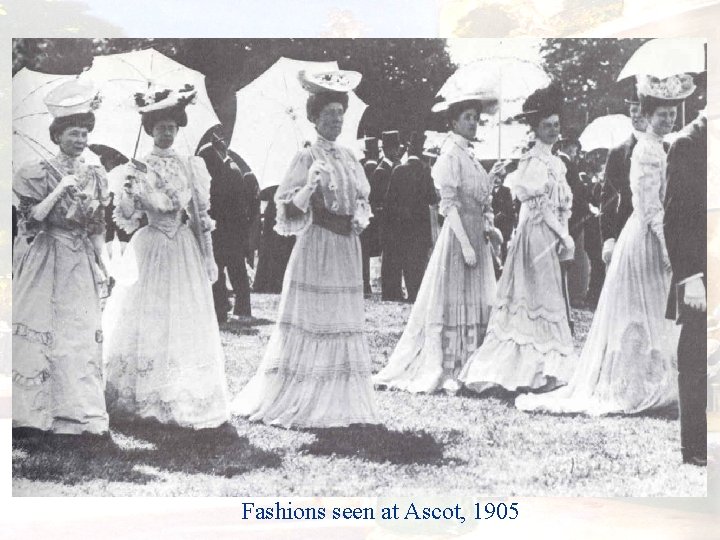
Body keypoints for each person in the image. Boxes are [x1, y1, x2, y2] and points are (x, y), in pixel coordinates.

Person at [515, 74, 696, 416]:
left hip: (658, 234)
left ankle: (658, 376)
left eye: (672, 114)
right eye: (662, 114)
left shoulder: (666, 147)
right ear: (646, 113)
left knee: (658, 309)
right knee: (639, 309)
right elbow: (645, 206)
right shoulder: (642, 151)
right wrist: (664, 246)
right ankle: (633, 382)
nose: (668, 119)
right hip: (645, 237)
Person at [233, 70, 380, 428]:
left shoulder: (349, 157)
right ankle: (308, 394)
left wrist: (360, 216)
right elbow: (285, 210)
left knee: (342, 318)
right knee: (317, 319)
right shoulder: (305, 157)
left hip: (347, 247)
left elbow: (362, 198)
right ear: (314, 118)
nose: (335, 120)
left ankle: (343, 397)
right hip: (318, 247)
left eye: (339, 114)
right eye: (328, 114)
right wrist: (308, 188)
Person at [103, 86, 231, 431]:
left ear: (178, 129)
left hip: (183, 247)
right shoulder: (136, 167)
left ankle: (181, 392)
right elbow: (127, 218)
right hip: (150, 245)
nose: (166, 132)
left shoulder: (191, 165)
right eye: (160, 127)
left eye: (172, 127)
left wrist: (210, 257)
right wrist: (129, 190)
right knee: (149, 314)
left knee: (183, 316)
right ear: (150, 130)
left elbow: (201, 217)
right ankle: (143, 394)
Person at [373, 94, 502, 394]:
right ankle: (450, 364)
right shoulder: (450, 157)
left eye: (475, 118)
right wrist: (466, 244)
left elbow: (482, 201)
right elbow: (449, 205)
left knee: (477, 296)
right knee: (455, 293)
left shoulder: (471, 157)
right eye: (467, 118)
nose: (473, 123)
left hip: (475, 234)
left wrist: (491, 184)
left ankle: (473, 360)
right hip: (458, 236)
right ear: (453, 122)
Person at [459, 82, 576, 395]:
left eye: (556, 126)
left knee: (549, 300)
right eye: (546, 126)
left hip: (550, 240)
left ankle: (547, 367)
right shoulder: (533, 162)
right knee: (533, 299)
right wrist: (563, 234)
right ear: (535, 129)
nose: (553, 131)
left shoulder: (557, 162)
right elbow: (539, 207)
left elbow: (560, 206)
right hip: (536, 238)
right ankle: (521, 368)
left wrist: (563, 234)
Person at [12, 80, 111, 437]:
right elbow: (30, 220)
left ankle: (76, 410)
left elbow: (98, 224)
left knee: (77, 331)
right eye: (73, 133)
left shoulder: (96, 174)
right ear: (57, 136)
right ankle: (36, 414)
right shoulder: (35, 172)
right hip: (47, 256)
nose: (80, 140)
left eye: (84, 133)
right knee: (46, 328)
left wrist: (103, 264)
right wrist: (58, 189)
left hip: (79, 258)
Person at [664, 110, 707, 466]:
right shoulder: (687, 144)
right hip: (700, 275)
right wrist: (691, 277)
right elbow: (675, 218)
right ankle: (694, 446)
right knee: (696, 358)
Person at [198, 134, 260, 323]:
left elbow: (219, 202)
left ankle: (222, 309)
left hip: (224, 229)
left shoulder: (223, 173)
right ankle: (239, 308)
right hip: (233, 229)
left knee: (224, 271)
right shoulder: (233, 169)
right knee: (235, 270)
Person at [383, 131, 439, 302]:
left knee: (403, 259)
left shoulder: (398, 170)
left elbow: (389, 200)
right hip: (420, 227)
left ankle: (402, 292)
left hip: (401, 226)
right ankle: (415, 294)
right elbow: (433, 199)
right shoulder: (425, 172)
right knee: (417, 262)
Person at [600, 89, 648, 267]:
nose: (636, 115)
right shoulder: (618, 152)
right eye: (633, 110)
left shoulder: (665, 148)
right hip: (627, 230)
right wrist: (609, 239)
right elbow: (608, 198)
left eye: (640, 109)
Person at [375, 131, 404, 301]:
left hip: (396, 221)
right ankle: (389, 291)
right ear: (387, 150)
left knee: (396, 256)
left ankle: (395, 290)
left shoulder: (394, 167)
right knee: (389, 257)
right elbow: (378, 199)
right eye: (394, 148)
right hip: (388, 221)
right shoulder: (381, 171)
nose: (396, 152)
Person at [252, 186, 295, 293]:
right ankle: (275, 282)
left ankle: (266, 283)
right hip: (281, 213)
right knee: (280, 251)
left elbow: (262, 196)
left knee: (271, 250)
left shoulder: (271, 185)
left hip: (273, 214)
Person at [360, 137, 380, 296]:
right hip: (374, 214)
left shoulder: (361, 167)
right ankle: (367, 284)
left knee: (363, 252)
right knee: (368, 251)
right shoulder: (374, 167)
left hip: (363, 212)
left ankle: (365, 283)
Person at [584, 161, 606, 308]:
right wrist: (594, 209)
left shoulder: (611, 187)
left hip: (604, 230)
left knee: (600, 264)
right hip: (595, 231)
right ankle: (594, 297)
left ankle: (598, 296)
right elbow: (589, 203)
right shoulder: (596, 187)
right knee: (597, 263)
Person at [491, 160, 516, 263]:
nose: (498, 180)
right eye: (496, 177)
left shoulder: (506, 191)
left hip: (504, 223)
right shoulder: (488, 191)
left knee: (503, 245)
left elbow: (509, 208)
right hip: (492, 222)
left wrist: (501, 215)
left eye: (500, 177)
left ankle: (504, 264)